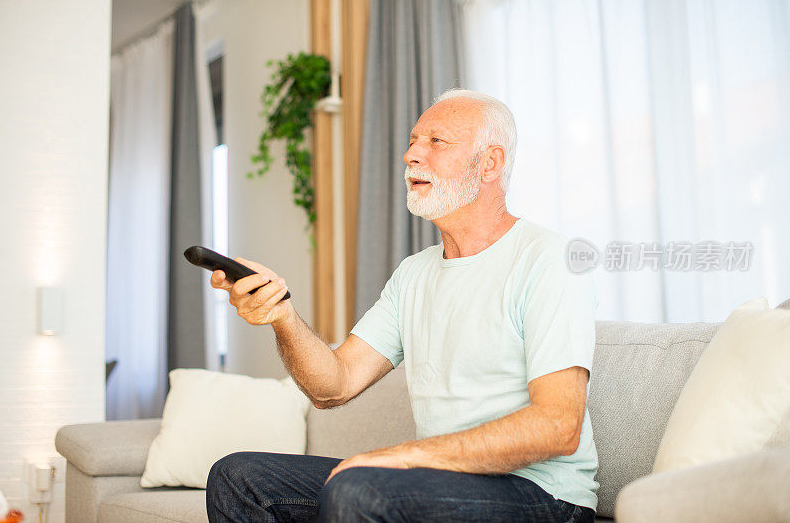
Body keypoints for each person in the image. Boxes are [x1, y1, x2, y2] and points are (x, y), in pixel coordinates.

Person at [206, 89, 599, 523]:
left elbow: (558, 425)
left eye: (436, 141)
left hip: (545, 497)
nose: (411, 154)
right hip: (445, 482)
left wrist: (407, 457)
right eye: (414, 140)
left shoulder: (548, 260)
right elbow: (332, 387)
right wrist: (282, 315)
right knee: (238, 477)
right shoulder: (414, 274)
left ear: (490, 163)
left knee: (360, 489)